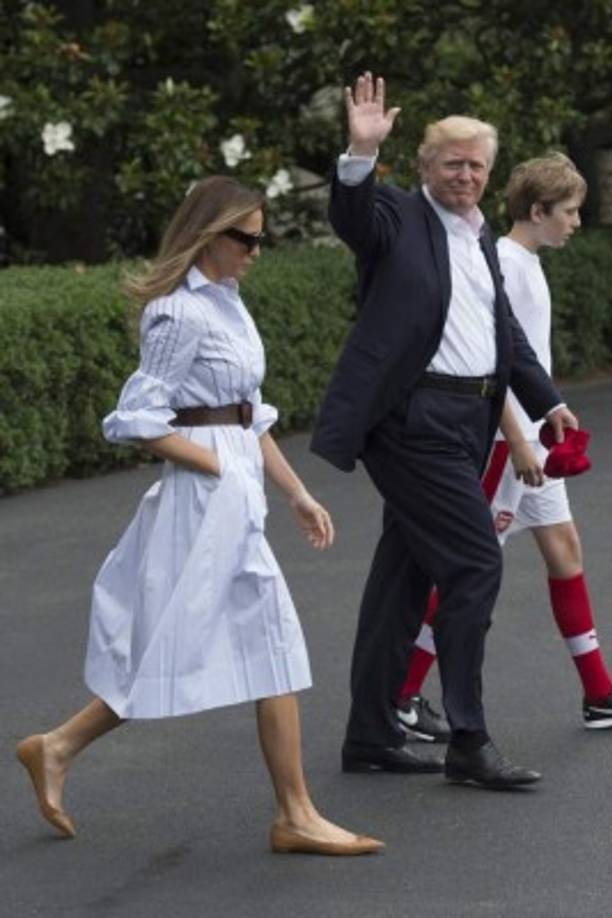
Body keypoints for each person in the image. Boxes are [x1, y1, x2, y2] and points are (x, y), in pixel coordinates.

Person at [16, 176, 383, 857]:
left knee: (241, 640)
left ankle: (62, 746)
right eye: (244, 239)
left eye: (259, 238)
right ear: (206, 236)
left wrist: (295, 492)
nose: (255, 251)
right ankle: (291, 814)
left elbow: (250, 413)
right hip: (201, 497)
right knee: (225, 638)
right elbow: (135, 419)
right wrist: (212, 465)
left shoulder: (231, 305)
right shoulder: (176, 314)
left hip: (235, 485)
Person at [311, 73, 579, 788]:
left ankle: (369, 737)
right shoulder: (397, 218)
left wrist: (545, 402)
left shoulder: (479, 235)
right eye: (451, 162)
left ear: (489, 176)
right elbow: (353, 219)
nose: (464, 174)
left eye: (475, 165)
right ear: (426, 168)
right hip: (410, 421)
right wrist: (359, 153)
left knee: (402, 579)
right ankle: (468, 739)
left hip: (468, 418)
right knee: (473, 563)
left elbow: (503, 336)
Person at [395, 153, 612, 741]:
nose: (577, 222)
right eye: (570, 212)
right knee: (464, 574)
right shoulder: (504, 264)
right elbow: (491, 363)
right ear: (538, 210)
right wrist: (520, 440)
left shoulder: (526, 261)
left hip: (531, 445)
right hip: (509, 448)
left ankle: (599, 694)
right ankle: (402, 695)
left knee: (566, 551)